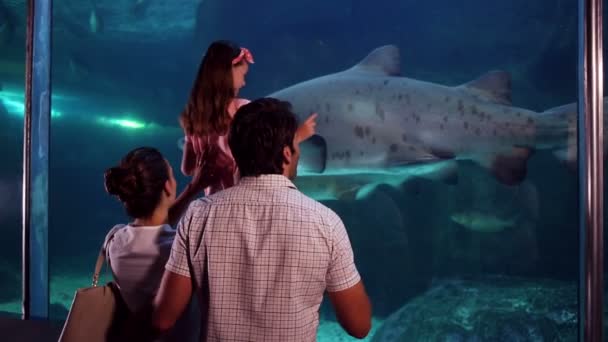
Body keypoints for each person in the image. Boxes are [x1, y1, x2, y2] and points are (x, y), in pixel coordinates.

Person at [152, 98, 372, 341]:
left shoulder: (199, 215)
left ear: (235, 151)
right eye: (297, 147)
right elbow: (359, 326)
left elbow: (163, 319)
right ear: (287, 154)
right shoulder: (326, 222)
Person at [102, 147, 220, 341]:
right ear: (168, 186)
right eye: (172, 175)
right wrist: (195, 187)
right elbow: (165, 234)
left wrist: (194, 187)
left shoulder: (114, 241)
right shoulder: (181, 249)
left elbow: (153, 229)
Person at [179, 40, 317, 196]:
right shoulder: (242, 110)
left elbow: (187, 169)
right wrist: (299, 135)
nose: (244, 83)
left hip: (214, 200)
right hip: (244, 196)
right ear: (227, 74)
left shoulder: (193, 117)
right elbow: (264, 153)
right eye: (243, 75)